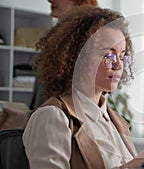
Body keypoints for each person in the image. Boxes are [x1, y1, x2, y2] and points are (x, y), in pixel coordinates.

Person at [23, 6, 144, 169]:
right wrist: (134, 164)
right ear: (76, 57)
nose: (118, 64)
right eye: (109, 55)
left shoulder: (115, 121)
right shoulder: (53, 117)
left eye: (122, 56)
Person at [0, 0, 98, 130]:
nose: (50, 0)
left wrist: (29, 119)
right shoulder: (59, 40)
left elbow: (75, 106)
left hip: (58, 135)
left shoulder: (85, 43)